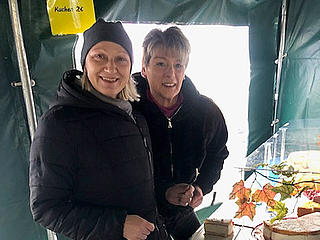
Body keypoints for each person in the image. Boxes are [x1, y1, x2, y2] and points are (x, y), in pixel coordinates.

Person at [29, 19, 169, 240]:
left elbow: (138, 188)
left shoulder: (135, 116)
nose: (111, 68)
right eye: (99, 56)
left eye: (121, 59)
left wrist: (167, 196)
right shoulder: (60, 123)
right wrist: (118, 225)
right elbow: (46, 208)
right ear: (85, 63)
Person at [132, 26, 229, 239]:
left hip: (181, 213)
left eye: (178, 65)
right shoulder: (127, 111)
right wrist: (164, 191)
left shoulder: (206, 112)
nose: (171, 74)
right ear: (144, 68)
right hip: (137, 216)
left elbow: (217, 154)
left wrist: (200, 186)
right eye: (160, 64)